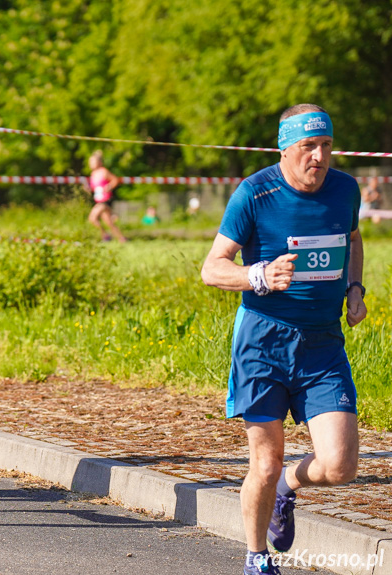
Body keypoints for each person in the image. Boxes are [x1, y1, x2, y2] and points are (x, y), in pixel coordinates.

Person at [201, 104, 366, 575]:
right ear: (285, 148)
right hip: (262, 343)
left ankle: (286, 491)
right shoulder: (255, 192)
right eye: (308, 147)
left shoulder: (345, 190)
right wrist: (259, 275)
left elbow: (353, 240)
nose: (319, 157)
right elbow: (212, 267)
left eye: (326, 146)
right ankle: (257, 557)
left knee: (340, 466)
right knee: (266, 461)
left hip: (322, 344)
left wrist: (355, 287)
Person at [85, 150, 126, 242]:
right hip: (99, 200)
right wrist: (88, 189)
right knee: (109, 223)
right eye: (90, 162)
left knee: (92, 218)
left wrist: (109, 186)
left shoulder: (104, 171)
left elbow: (115, 180)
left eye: (93, 162)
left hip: (106, 200)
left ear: (99, 162)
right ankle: (122, 239)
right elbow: (95, 188)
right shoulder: (93, 174)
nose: (90, 164)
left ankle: (106, 236)